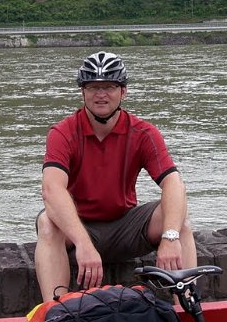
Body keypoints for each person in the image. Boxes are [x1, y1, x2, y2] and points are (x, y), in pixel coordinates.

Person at [34, 51, 196, 301]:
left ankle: (186, 306)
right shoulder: (63, 133)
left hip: (125, 225)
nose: (101, 94)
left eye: (109, 87)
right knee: (47, 223)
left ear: (123, 92)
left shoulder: (143, 133)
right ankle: (57, 310)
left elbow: (173, 183)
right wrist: (83, 243)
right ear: (83, 92)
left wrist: (170, 236)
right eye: (93, 87)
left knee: (178, 220)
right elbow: (52, 190)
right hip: (79, 227)